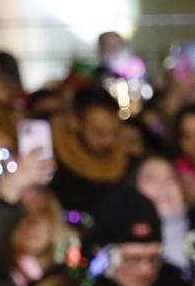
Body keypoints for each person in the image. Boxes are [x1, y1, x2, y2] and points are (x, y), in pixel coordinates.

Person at [49, 85, 132, 215]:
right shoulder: (51, 161)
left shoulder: (128, 162)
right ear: (74, 123)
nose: (108, 140)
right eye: (99, 132)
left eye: (115, 133)